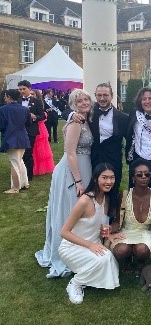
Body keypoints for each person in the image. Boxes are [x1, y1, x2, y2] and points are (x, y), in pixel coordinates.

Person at [35, 89, 93, 278]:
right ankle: (64, 254)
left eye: (86, 99)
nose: (84, 102)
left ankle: (80, 250)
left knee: (80, 210)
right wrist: (77, 180)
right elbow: (70, 153)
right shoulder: (75, 123)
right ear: (73, 105)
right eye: (80, 101)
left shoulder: (85, 119)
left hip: (85, 166)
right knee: (70, 209)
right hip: (72, 170)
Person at [59, 163, 120, 304]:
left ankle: (86, 275)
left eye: (112, 178)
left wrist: (108, 234)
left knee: (109, 259)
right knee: (103, 260)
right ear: (95, 179)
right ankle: (76, 283)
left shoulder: (107, 199)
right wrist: (90, 245)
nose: (109, 181)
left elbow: (96, 225)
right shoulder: (85, 201)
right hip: (72, 247)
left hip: (93, 244)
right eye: (104, 177)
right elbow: (64, 232)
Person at [66, 83, 129, 210]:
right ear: (95, 96)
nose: (102, 98)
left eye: (105, 95)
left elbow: (130, 139)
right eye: (99, 95)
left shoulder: (122, 118)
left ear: (112, 96)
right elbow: (67, 109)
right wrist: (71, 115)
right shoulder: (89, 112)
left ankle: (110, 220)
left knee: (112, 191)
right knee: (93, 191)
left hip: (114, 160)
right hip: (92, 160)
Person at [111, 158, 151, 275]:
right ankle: (127, 259)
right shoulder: (124, 195)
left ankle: (141, 260)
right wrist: (109, 230)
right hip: (126, 231)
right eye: (139, 175)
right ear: (133, 178)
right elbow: (118, 222)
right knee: (121, 250)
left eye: (147, 174)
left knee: (142, 250)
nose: (144, 177)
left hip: (145, 233)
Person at [0, 89, 30, 194]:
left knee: (14, 162)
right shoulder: (25, 109)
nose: (4, 98)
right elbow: (28, 123)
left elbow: (2, 125)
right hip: (23, 137)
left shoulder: (3, 109)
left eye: (5, 96)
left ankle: (15, 187)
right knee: (19, 160)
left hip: (10, 137)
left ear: (8, 96)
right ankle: (24, 183)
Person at [18, 80, 45, 181]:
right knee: (20, 153)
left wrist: (35, 117)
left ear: (29, 89)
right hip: (19, 130)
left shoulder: (36, 101)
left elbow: (42, 116)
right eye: (20, 89)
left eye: (24, 89)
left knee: (28, 153)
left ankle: (29, 176)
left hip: (31, 130)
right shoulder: (18, 101)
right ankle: (21, 173)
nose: (22, 91)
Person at [30, 89, 55, 176]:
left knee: (40, 148)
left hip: (40, 127)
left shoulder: (39, 104)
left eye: (33, 94)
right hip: (32, 127)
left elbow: (43, 116)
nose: (31, 95)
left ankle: (39, 167)